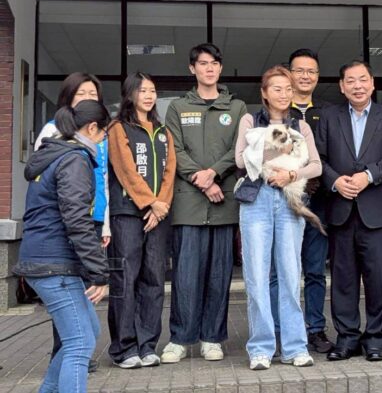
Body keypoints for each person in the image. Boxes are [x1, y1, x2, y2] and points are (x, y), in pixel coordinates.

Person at [14, 100, 111, 393]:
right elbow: (77, 220)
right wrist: (99, 273)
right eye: (103, 133)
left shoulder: (55, 154)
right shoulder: (74, 160)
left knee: (87, 331)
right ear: (92, 128)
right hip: (54, 264)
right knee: (80, 342)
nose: (103, 140)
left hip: (45, 258)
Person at [161, 43, 247, 363]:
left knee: (219, 274)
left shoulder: (236, 107)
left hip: (224, 203)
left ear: (220, 68)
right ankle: (180, 339)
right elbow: (174, 149)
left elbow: (238, 149)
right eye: (202, 63)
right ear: (192, 68)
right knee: (185, 275)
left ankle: (212, 337)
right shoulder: (178, 108)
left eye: (214, 63)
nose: (209, 69)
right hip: (188, 204)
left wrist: (214, 174)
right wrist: (202, 179)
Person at [235, 65, 322, 370]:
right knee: (257, 276)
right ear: (264, 93)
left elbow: (316, 165)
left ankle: (295, 347)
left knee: (290, 274)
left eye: (288, 89)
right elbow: (240, 160)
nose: (284, 94)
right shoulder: (249, 120)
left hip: (289, 201)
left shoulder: (301, 125)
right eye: (277, 89)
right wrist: (279, 154)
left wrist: (291, 174)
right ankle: (260, 348)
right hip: (256, 201)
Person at [315, 60, 382, 362]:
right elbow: (318, 158)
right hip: (340, 210)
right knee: (343, 279)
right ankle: (347, 338)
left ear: (372, 83)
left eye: (363, 79)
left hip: (376, 212)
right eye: (350, 81)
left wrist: (369, 175)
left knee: (378, 280)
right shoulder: (329, 117)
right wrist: (335, 181)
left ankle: (375, 338)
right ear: (342, 86)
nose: (357, 86)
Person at [34, 72, 110, 373]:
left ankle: (75, 354)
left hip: (90, 219)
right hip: (66, 228)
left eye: (93, 94)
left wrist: (104, 224)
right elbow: (51, 190)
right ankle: (72, 356)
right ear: (68, 98)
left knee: (81, 307)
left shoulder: (93, 138)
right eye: (82, 94)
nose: (88, 98)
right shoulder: (58, 137)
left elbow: (103, 179)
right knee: (69, 307)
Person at [107, 73, 176, 368]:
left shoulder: (163, 131)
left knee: (154, 280)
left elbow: (171, 171)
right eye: (142, 90)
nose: (148, 96)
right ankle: (124, 348)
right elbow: (125, 169)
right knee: (125, 279)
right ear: (130, 94)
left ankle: (147, 345)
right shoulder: (118, 128)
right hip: (127, 214)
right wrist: (149, 202)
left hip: (158, 216)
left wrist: (160, 207)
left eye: (152, 91)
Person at [270, 48, 333, 353]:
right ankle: (280, 330)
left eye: (311, 71)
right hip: (283, 200)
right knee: (280, 270)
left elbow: (330, 156)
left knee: (315, 269)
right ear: (289, 73)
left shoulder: (329, 112)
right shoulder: (278, 112)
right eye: (299, 70)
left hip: (318, 201)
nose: (305, 76)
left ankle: (315, 329)